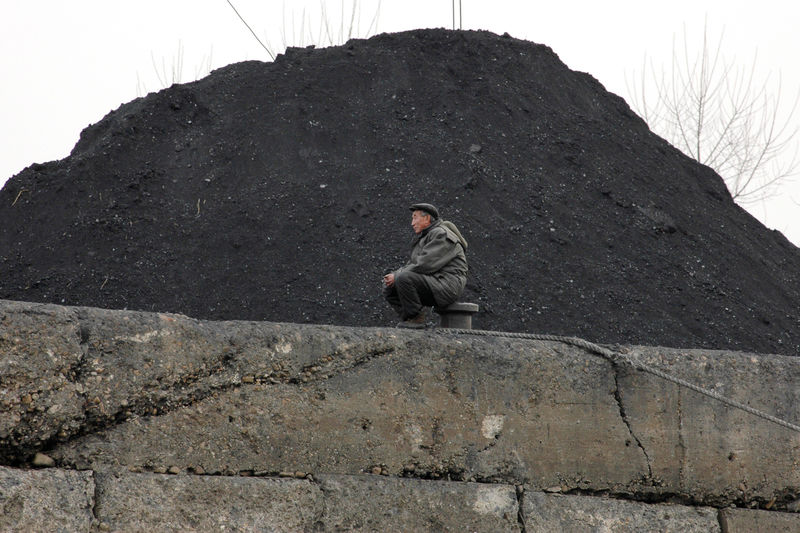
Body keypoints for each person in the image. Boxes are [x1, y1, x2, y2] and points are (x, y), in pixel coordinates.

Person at [383, 203, 468, 328]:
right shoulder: (426, 236)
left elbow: (425, 264)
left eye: (415, 217)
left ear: (427, 218)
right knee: (389, 286)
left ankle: (417, 318)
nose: (412, 223)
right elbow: (413, 263)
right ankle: (409, 318)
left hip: (448, 284)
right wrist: (394, 276)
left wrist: (397, 275)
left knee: (403, 278)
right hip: (435, 281)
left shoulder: (441, 235)